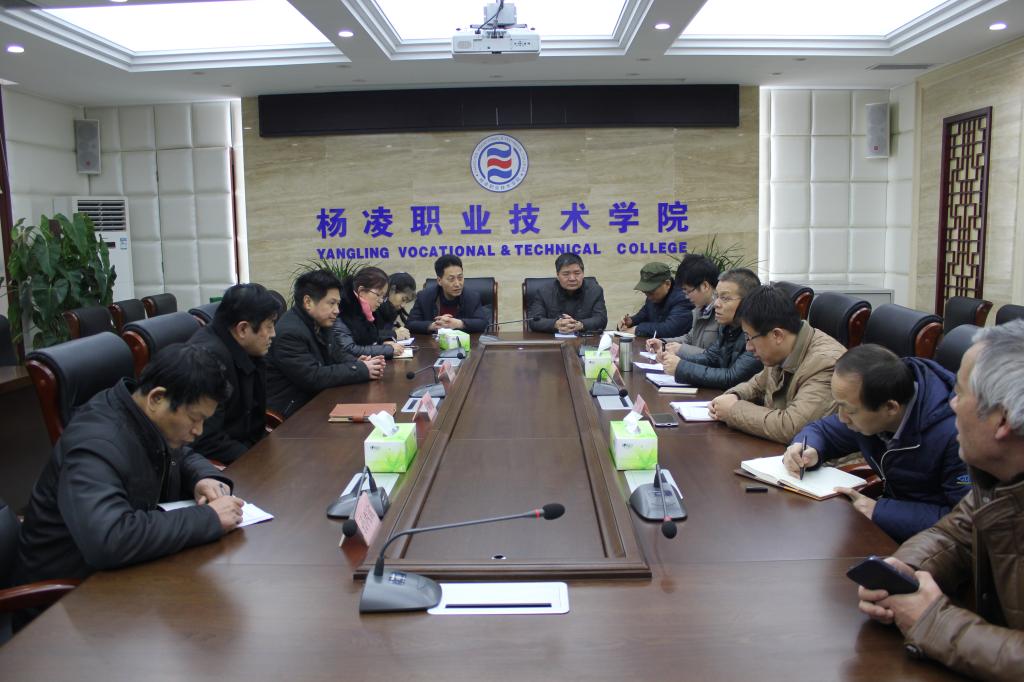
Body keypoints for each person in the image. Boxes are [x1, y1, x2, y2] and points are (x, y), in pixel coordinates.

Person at [857, 321, 1024, 680]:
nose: (951, 405)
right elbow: (952, 536)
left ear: (1003, 420)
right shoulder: (995, 476)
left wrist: (932, 622)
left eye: (960, 394)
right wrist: (903, 571)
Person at [13, 343, 244, 590]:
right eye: (194, 419)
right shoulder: (94, 445)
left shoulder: (139, 414)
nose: (198, 431)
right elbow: (109, 539)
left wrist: (203, 477)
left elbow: (180, 452)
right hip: (67, 595)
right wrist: (209, 518)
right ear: (157, 398)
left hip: (124, 576)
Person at [783, 344, 969, 542]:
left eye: (850, 411)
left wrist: (880, 511)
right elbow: (824, 431)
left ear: (890, 408)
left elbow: (964, 522)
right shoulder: (872, 403)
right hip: (891, 523)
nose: (842, 417)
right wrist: (809, 448)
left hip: (934, 546)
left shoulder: (957, 437)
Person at [709, 284, 845, 443]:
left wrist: (733, 410)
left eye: (750, 338)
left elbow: (792, 427)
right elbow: (757, 385)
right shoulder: (783, 348)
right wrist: (734, 395)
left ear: (777, 335)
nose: (748, 347)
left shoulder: (826, 363)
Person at [266, 270, 385, 416]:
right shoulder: (289, 332)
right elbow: (313, 377)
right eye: (331, 303)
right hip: (292, 413)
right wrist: (360, 369)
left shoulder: (320, 322)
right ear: (308, 302)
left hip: (317, 401)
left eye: (338, 304)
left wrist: (358, 362)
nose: (337, 310)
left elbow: (337, 353)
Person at [188, 283, 282, 464]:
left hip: (247, 450)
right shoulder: (209, 361)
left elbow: (254, 420)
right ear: (243, 329)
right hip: (227, 464)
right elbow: (206, 440)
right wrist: (258, 461)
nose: (273, 334)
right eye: (269, 326)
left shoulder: (247, 348)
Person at [656, 268, 763, 390]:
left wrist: (680, 367)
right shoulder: (727, 327)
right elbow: (710, 358)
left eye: (725, 298)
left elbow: (732, 378)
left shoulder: (758, 333)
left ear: (748, 302)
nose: (716, 303)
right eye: (716, 296)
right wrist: (674, 359)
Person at [647, 255, 720, 357]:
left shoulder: (722, 313)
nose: (686, 296)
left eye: (688, 291)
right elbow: (690, 338)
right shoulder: (700, 309)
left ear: (705, 286)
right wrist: (663, 343)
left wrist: (681, 349)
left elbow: (717, 357)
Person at [332, 267, 405, 360]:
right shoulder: (342, 311)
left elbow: (368, 338)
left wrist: (382, 342)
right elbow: (349, 349)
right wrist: (387, 349)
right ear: (361, 291)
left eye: (383, 296)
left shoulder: (364, 311)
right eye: (378, 295)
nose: (381, 301)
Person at [407, 255, 490, 333]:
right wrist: (434, 326)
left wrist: (459, 323)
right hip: (433, 342)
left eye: (460, 278)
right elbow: (410, 324)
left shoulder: (472, 297)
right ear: (439, 281)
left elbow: (483, 323)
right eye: (451, 279)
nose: (457, 284)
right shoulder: (424, 297)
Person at [527, 253, 608, 334]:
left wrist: (581, 325)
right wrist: (555, 324)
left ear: (583, 274)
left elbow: (601, 319)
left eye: (577, 273)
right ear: (557, 275)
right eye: (566, 274)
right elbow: (533, 321)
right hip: (553, 340)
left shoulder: (595, 291)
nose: (572, 278)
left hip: (584, 339)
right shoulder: (544, 292)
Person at [616, 261, 694, 338]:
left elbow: (671, 329)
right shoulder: (653, 297)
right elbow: (644, 314)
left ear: (667, 284)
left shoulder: (683, 298)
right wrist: (630, 321)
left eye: (651, 292)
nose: (649, 297)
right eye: (645, 292)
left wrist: (637, 329)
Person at [375, 272, 417, 341]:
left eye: (406, 302)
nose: (403, 305)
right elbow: (365, 335)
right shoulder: (374, 306)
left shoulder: (391, 311)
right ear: (392, 291)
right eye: (403, 299)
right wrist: (393, 333)